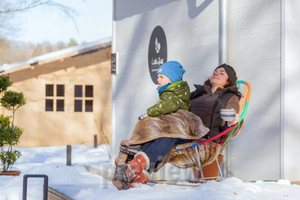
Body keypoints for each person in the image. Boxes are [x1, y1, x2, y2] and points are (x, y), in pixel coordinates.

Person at [114, 63, 241, 189]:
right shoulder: (200, 92)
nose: (216, 73)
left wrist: (232, 121)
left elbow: (231, 116)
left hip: (200, 132)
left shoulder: (229, 97)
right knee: (162, 133)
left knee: (170, 130)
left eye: (221, 73)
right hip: (181, 127)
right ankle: (139, 172)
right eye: (215, 71)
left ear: (229, 80)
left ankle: (135, 165)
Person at [115, 60, 193, 186]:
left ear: (172, 79)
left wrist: (149, 112)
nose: (158, 79)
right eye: (158, 77)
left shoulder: (172, 94)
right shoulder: (173, 91)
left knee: (164, 140)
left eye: (161, 77)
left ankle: (137, 165)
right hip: (172, 127)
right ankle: (141, 173)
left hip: (179, 130)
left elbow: (166, 106)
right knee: (153, 139)